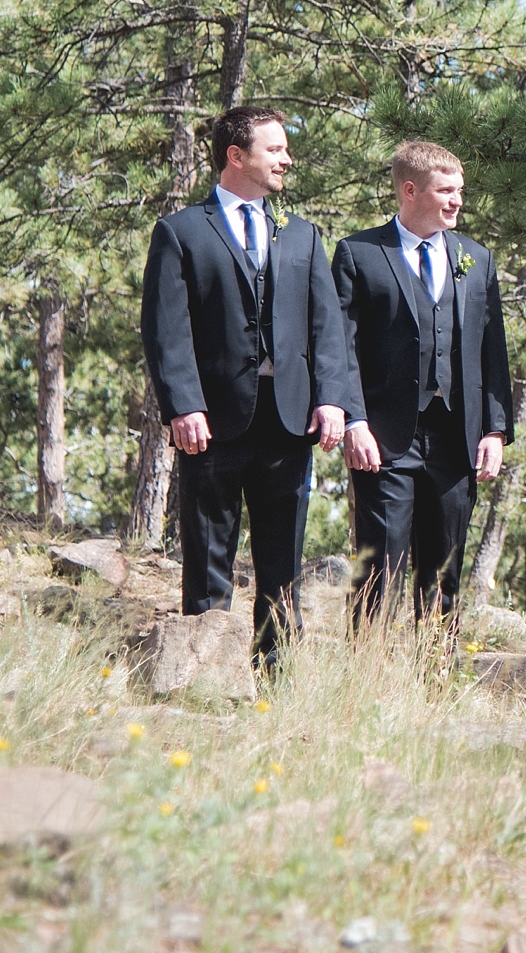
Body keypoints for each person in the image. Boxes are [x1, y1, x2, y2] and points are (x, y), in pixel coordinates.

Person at [141, 105, 354, 666]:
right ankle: (205, 672)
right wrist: (182, 405)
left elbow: (326, 327)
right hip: (211, 420)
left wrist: (332, 398)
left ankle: (276, 673)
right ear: (236, 156)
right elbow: (167, 329)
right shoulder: (181, 231)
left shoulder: (302, 236)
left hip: (289, 419)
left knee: (283, 556)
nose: (287, 158)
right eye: (275, 149)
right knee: (209, 548)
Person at [333, 141, 514, 629]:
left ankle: (435, 674)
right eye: (446, 190)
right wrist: (354, 419)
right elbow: (341, 348)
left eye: (460, 191)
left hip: (457, 438)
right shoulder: (360, 254)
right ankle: (366, 674)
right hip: (384, 436)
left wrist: (495, 430)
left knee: (444, 569)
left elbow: (491, 352)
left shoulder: (476, 258)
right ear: (410, 190)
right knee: (380, 567)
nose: (457, 201)